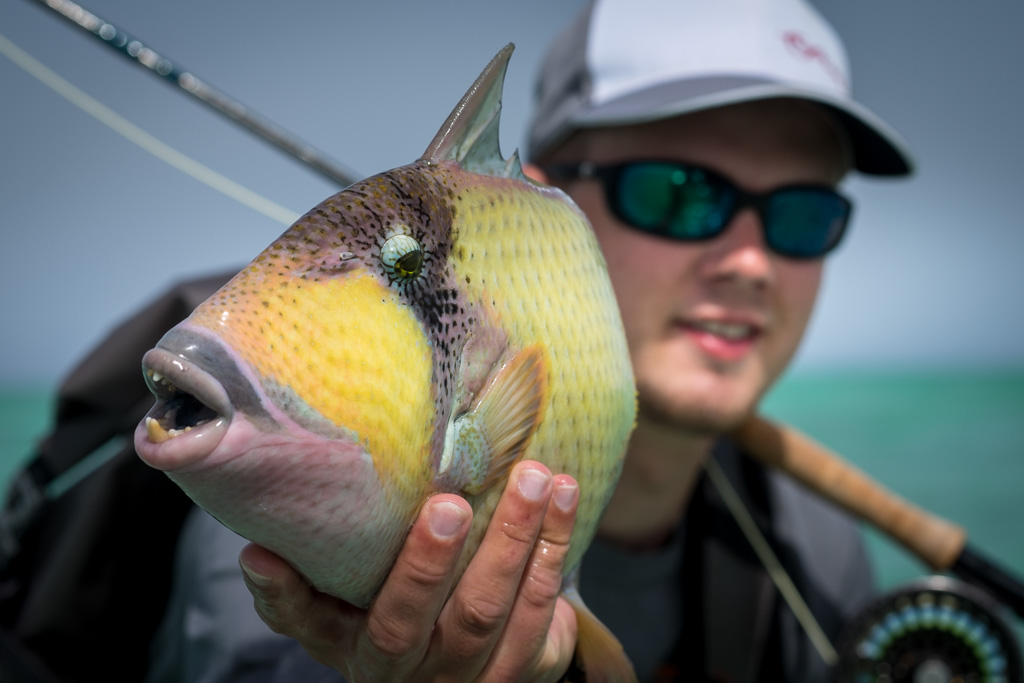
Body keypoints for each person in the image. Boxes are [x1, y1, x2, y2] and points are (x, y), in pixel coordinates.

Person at [144, 0, 914, 681]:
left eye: (804, 215)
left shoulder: (821, 554)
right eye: (679, 194)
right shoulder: (298, 516)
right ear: (540, 206)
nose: (751, 261)